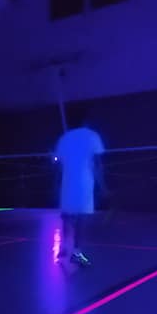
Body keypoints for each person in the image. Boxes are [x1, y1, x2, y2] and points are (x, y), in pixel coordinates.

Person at [54, 110, 105, 267]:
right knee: (81, 218)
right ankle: (76, 253)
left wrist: (56, 185)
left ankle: (64, 248)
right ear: (85, 121)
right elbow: (98, 164)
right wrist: (103, 185)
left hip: (67, 183)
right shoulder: (92, 136)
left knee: (67, 216)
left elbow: (58, 166)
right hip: (84, 183)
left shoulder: (64, 138)